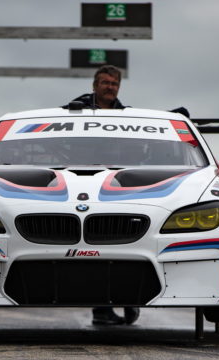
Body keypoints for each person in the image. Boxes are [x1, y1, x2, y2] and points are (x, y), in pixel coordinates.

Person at [66, 65, 140, 326]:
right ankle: (103, 309)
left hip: (116, 183)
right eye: (105, 83)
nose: (110, 87)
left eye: (114, 84)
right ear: (94, 85)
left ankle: (129, 300)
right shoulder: (73, 110)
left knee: (123, 244)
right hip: (80, 182)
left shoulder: (127, 116)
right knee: (95, 248)